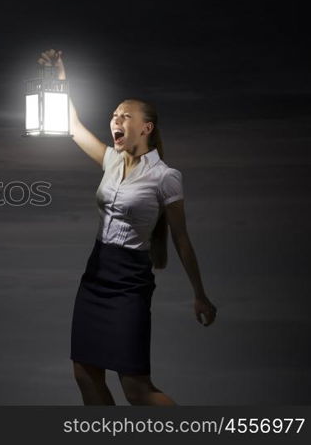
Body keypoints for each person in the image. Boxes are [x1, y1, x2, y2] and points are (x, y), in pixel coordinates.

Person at [36, 49, 218, 405]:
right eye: (114, 114)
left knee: (136, 388)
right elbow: (73, 127)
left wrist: (199, 293)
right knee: (84, 373)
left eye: (125, 115)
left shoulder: (166, 177)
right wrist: (60, 79)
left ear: (145, 127)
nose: (116, 119)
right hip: (96, 273)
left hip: (130, 279)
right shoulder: (111, 161)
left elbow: (182, 239)